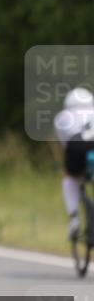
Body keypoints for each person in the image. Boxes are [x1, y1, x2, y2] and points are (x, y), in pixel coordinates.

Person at [54, 87, 94, 241]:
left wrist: (70, 166)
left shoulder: (62, 116)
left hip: (77, 144)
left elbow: (66, 145)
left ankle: (74, 218)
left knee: (70, 177)